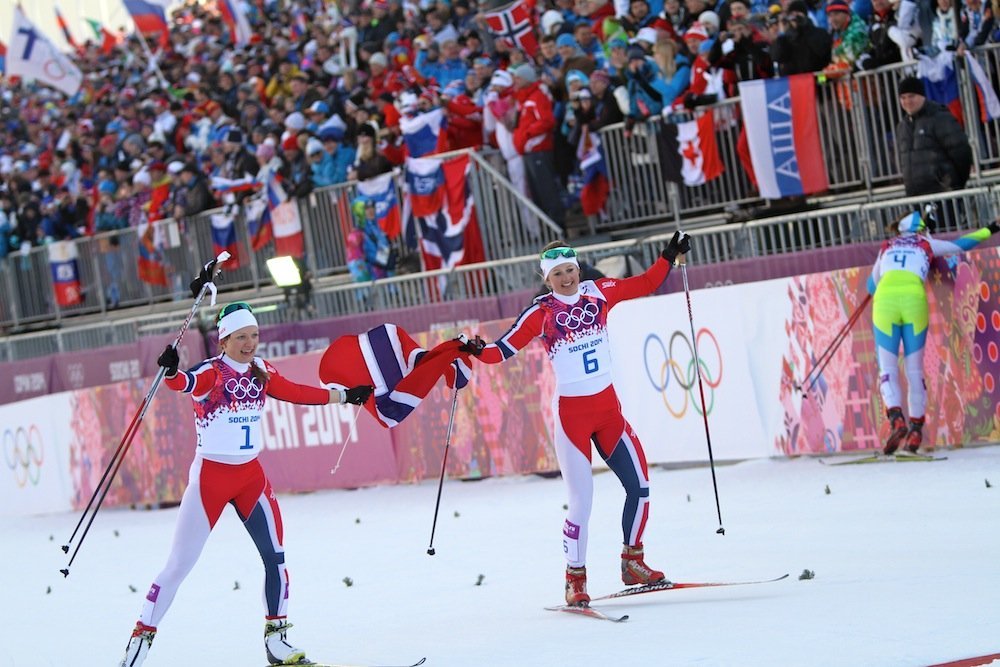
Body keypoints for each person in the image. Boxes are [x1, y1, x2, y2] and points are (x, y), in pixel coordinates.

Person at [117, 298, 375, 667]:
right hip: (211, 479)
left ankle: (278, 642)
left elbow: (296, 393)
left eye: (254, 335)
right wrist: (172, 372)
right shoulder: (212, 371)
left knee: (276, 558)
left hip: (250, 476)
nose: (249, 343)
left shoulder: (261, 370)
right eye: (241, 337)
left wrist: (344, 396)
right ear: (223, 340)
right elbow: (185, 383)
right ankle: (139, 644)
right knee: (178, 566)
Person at [461, 231, 692, 606]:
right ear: (546, 279)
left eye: (571, 270)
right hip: (572, 417)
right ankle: (575, 579)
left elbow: (647, 282)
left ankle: (633, 562)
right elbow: (500, 351)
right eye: (558, 274)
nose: (567, 278)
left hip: (608, 411)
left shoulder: (599, 292)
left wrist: (669, 253)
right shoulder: (540, 312)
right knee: (582, 501)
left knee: (640, 487)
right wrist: (473, 349)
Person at [868, 210, 998, 455]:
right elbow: (961, 244)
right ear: (921, 229)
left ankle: (896, 418)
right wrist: (991, 228)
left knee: (887, 370)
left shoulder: (887, 245)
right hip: (914, 301)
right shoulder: (926, 243)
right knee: (914, 370)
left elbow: (870, 285)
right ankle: (916, 430)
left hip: (885, 303)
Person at [895, 76, 973, 202]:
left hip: (944, 197)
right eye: (903, 98)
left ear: (922, 96)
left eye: (911, 96)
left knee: (949, 223)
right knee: (917, 223)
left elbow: (962, 152)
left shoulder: (940, 118)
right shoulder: (902, 127)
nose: (907, 101)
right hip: (916, 200)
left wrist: (953, 184)